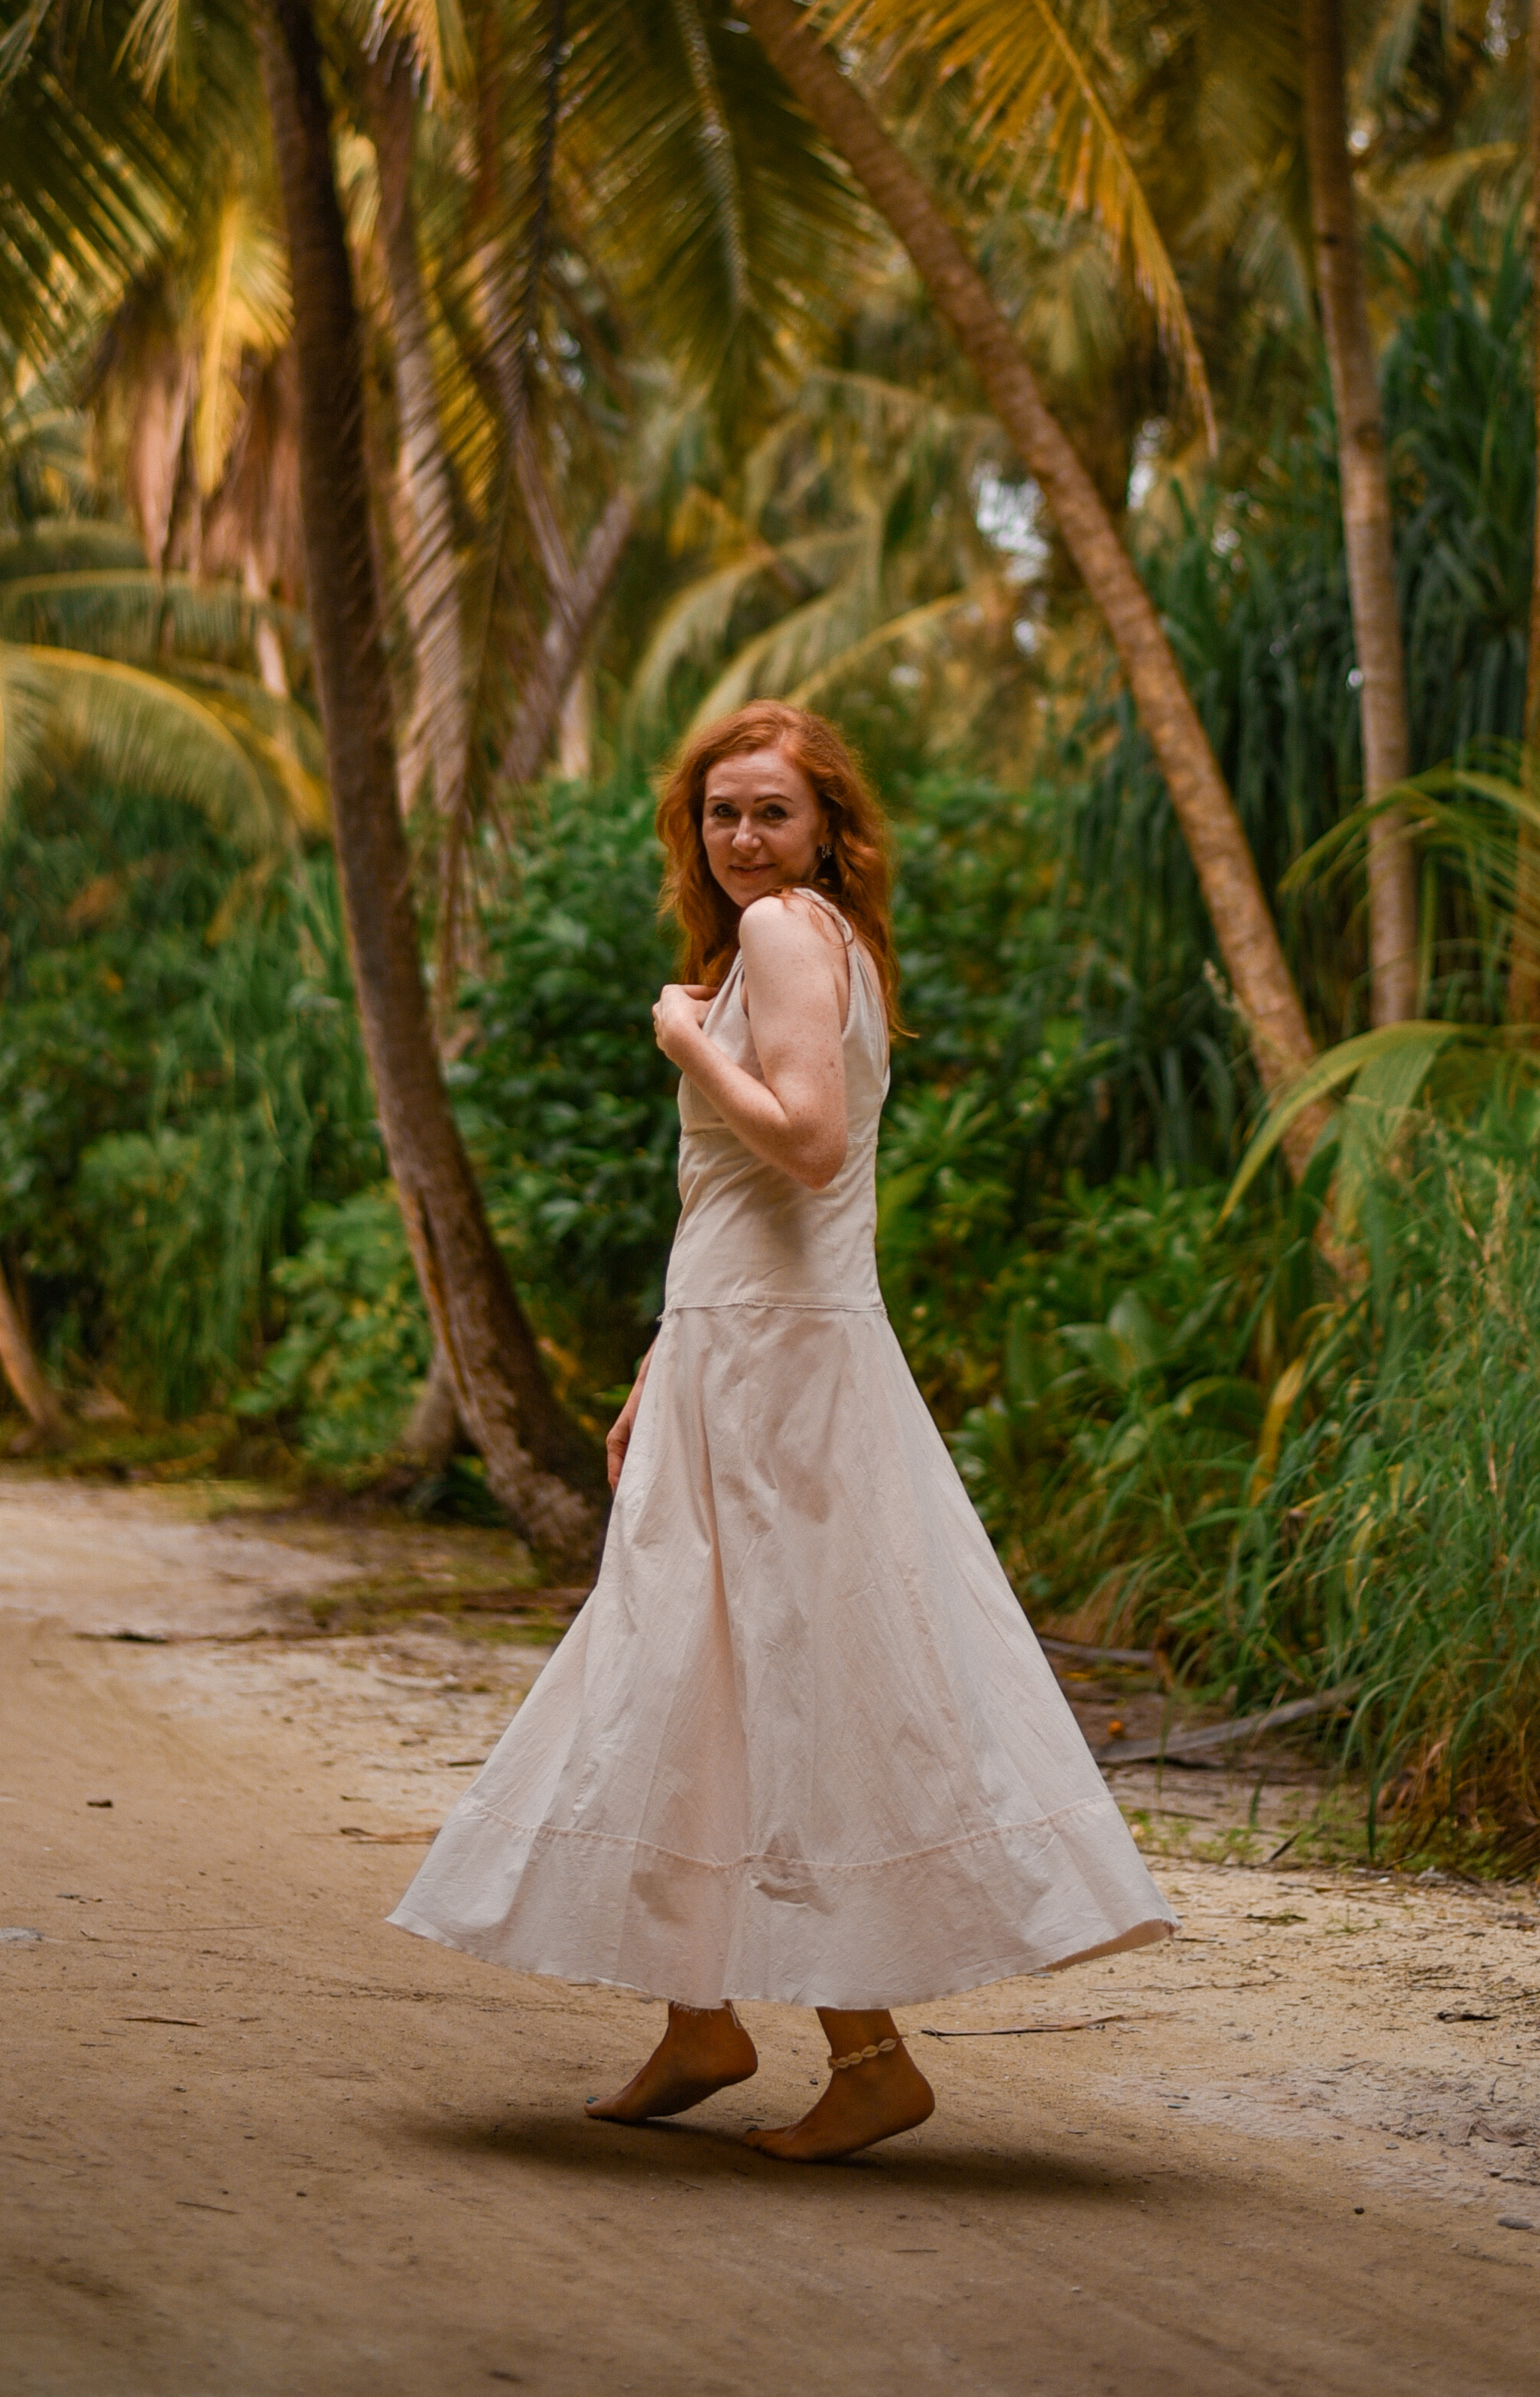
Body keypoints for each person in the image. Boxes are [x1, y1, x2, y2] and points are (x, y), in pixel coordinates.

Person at [388, 700, 1171, 2158]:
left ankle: (868, 2053)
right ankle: (699, 2017)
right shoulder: (825, 944)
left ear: (826, 828)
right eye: (721, 813)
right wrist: (657, 1360)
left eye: (774, 813)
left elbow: (805, 1150)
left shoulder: (778, 941)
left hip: (778, 1371)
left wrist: (683, 1041)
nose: (743, 838)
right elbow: (734, 1208)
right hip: (740, 1343)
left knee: (780, 1676)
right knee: (705, 1672)